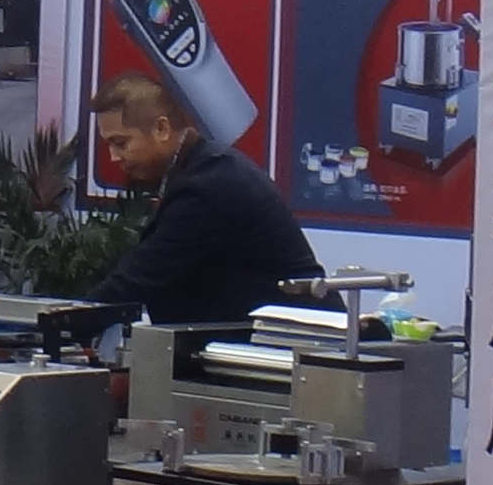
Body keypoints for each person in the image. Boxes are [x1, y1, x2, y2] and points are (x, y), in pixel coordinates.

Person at [82, 69, 324, 324]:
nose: (114, 157)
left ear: (161, 129)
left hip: (297, 339)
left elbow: (139, 278)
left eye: (121, 143)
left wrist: (66, 325)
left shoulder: (208, 187)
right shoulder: (202, 170)